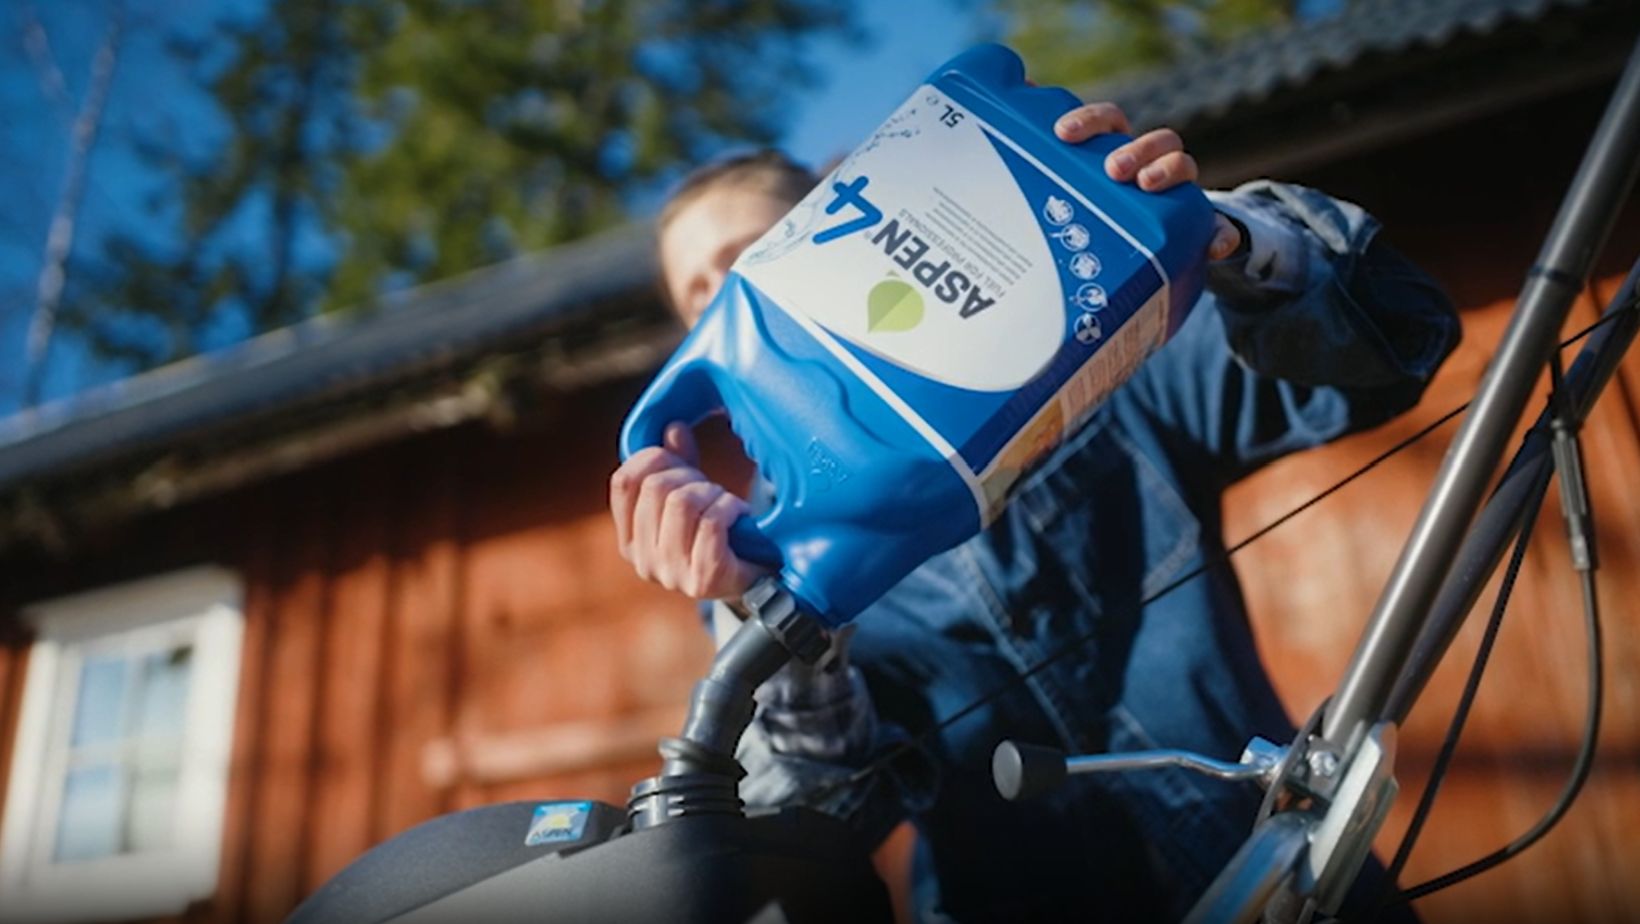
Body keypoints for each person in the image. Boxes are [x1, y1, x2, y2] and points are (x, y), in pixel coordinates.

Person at [610, 101, 1458, 922]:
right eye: (697, 291)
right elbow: (821, 818)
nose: (725, 292)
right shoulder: (755, 550)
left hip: (1278, 885)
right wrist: (768, 613)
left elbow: (1397, 343)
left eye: (746, 253)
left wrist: (1219, 238)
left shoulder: (1094, 363)